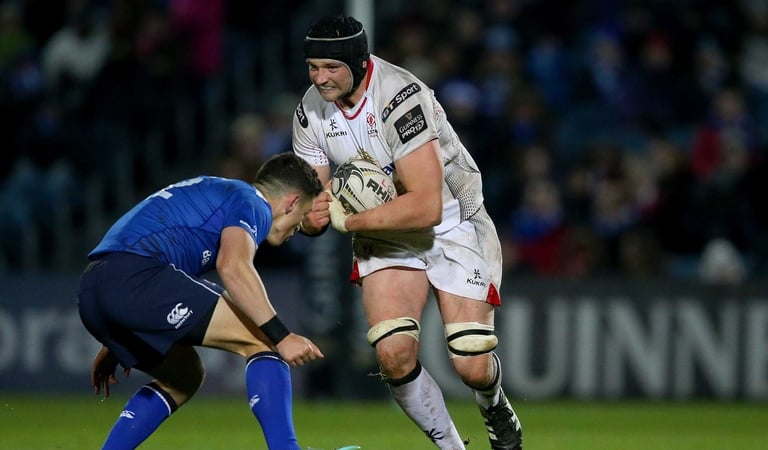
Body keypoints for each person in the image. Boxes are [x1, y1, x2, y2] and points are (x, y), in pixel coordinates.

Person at [293, 15, 523, 450]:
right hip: (385, 232)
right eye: (313, 66)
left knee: (472, 363)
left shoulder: (400, 97)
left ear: (359, 64)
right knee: (393, 354)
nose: (319, 78)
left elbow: (426, 205)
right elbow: (314, 196)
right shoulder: (309, 111)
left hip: (452, 224)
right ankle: (454, 448)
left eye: (330, 68)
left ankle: (493, 404)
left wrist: (349, 220)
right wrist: (313, 217)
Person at [77, 152, 356, 450]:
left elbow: (140, 245)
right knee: (264, 342)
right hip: (135, 276)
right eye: (300, 218)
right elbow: (233, 267)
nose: (295, 231)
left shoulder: (220, 192)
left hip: (95, 289)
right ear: (290, 202)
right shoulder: (253, 203)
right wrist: (282, 336)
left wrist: (115, 338)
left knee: (183, 378)